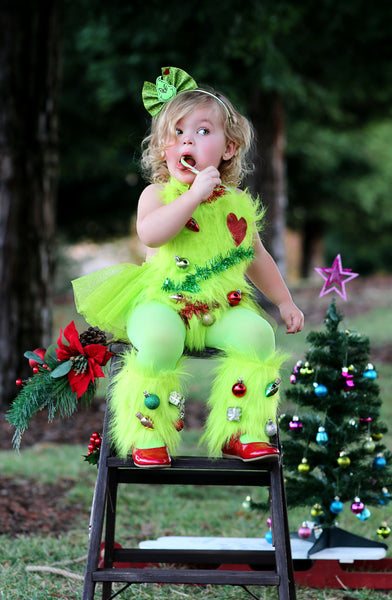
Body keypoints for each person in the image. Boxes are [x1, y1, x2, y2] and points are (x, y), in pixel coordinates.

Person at [73, 66, 304, 468]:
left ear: (228, 149)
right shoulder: (157, 194)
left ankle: (242, 432)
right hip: (163, 302)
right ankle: (148, 433)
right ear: (163, 147)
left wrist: (284, 301)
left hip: (221, 307)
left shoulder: (237, 205)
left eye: (201, 132)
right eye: (177, 133)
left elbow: (257, 257)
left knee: (258, 337)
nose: (187, 140)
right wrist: (193, 196)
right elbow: (152, 234)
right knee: (160, 340)